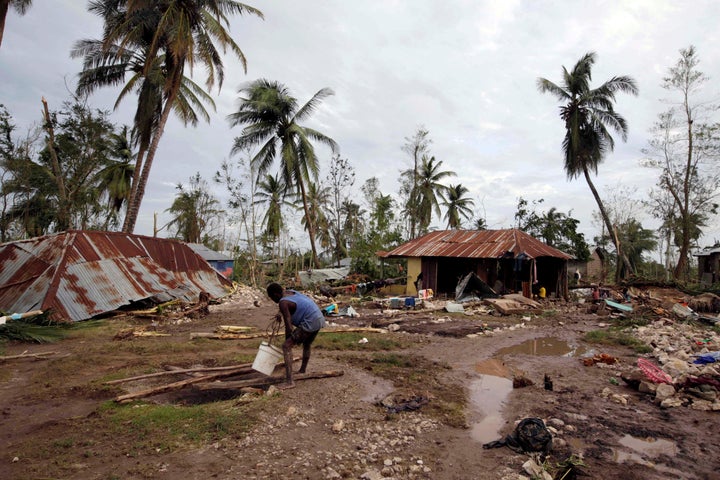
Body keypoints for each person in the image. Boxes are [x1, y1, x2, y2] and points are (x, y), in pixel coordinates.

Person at [266, 282, 325, 389]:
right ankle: (302, 370)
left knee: (286, 346)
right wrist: (280, 313)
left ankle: (289, 381)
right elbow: (289, 304)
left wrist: (288, 340)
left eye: (271, 298)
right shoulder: (291, 293)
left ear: (275, 295)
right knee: (306, 344)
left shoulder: (282, 303)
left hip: (310, 321)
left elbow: (289, 325)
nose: (273, 300)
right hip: (318, 318)